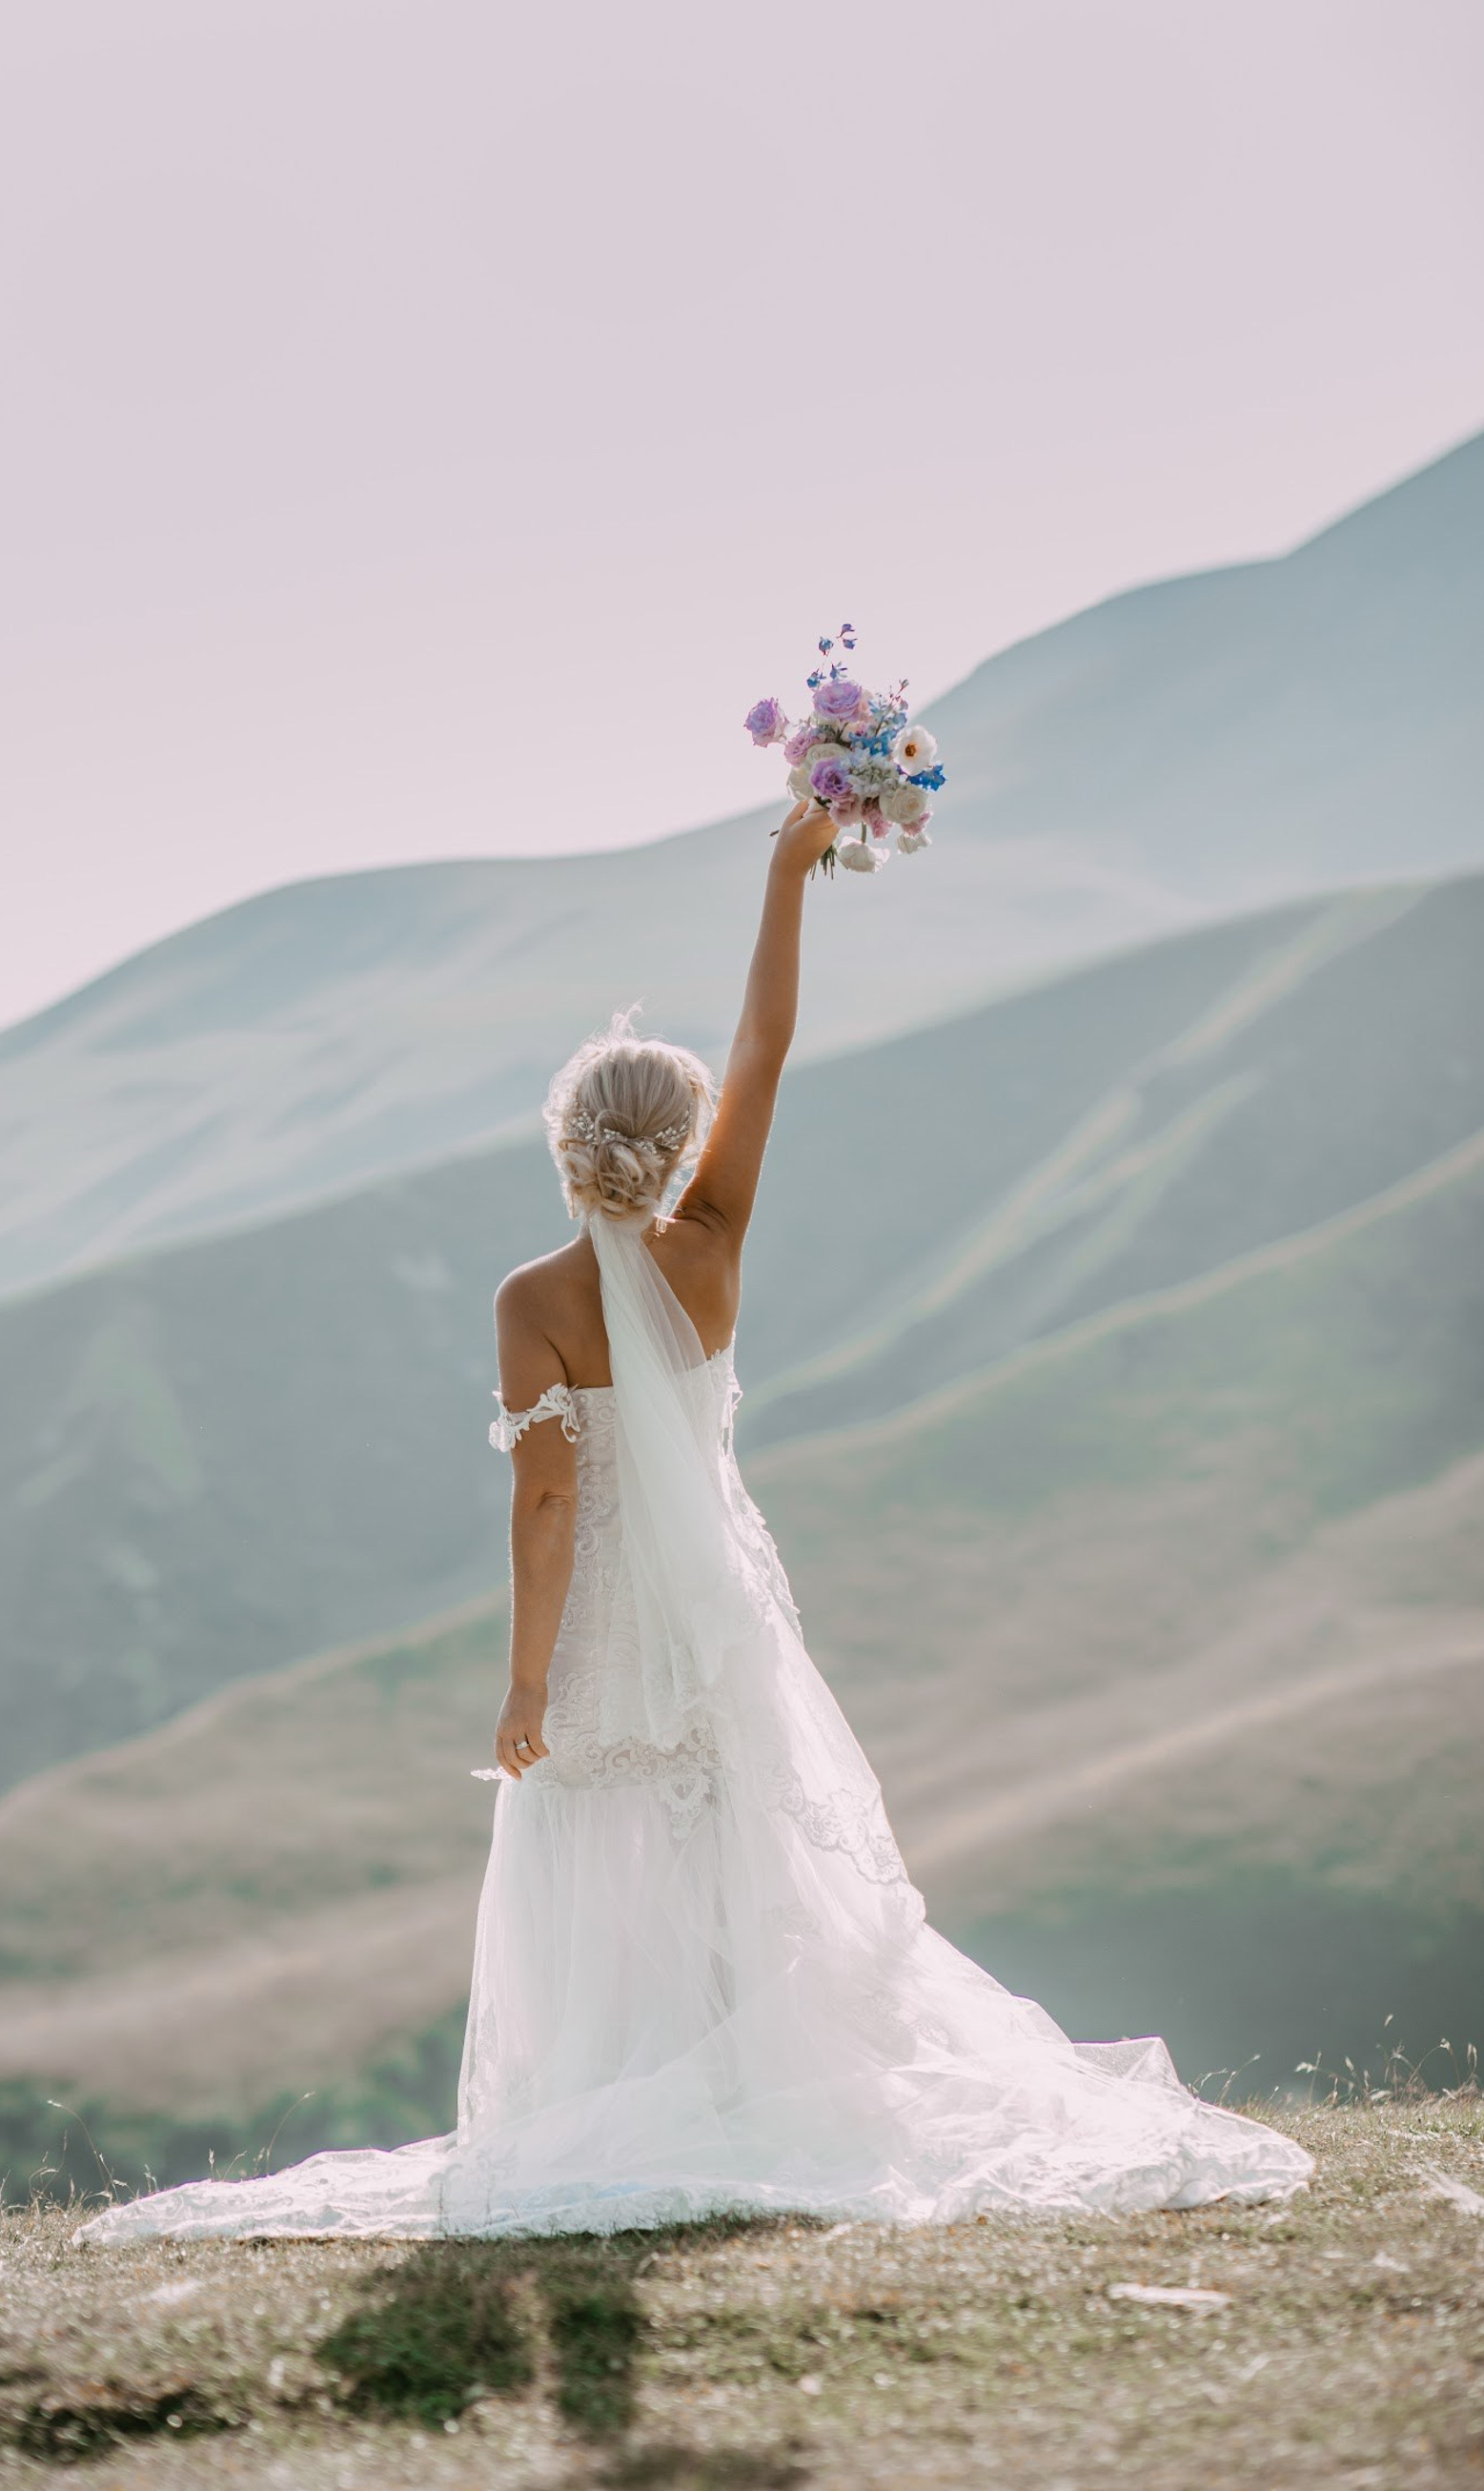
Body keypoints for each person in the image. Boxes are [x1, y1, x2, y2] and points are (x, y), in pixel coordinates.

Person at [76, 800, 1310, 2244]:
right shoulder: (712, 1247)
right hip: (716, 1610)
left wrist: (528, 1679)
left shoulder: (529, 1301)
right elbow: (764, 1051)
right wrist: (789, 878)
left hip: (602, 1620)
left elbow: (547, 1503)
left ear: (564, 1145)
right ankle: (753, 2088)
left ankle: (612, 2097)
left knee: (594, 1863)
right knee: (745, 1854)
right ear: (675, 1150)